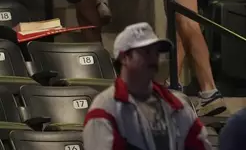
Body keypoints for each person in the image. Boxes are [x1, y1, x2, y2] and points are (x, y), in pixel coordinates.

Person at [83, 22, 212, 150]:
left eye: (156, 52)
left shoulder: (176, 105)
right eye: (146, 52)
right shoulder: (105, 108)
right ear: (124, 57)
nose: (153, 58)